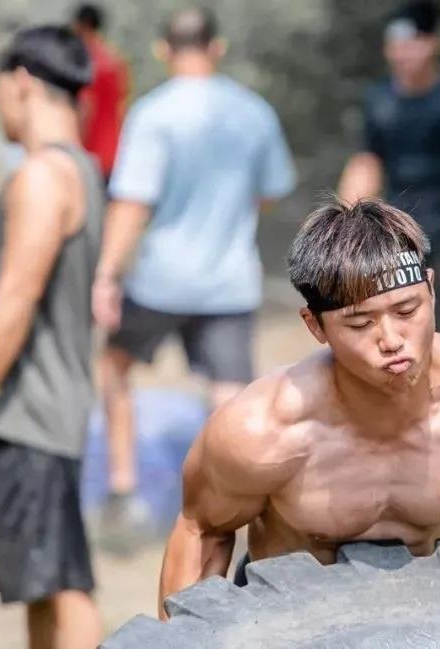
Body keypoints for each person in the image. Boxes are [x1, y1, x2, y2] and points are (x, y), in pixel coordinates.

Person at [157, 198, 440, 619]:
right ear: (315, 325)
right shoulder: (260, 432)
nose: (392, 339)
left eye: (407, 310)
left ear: (431, 290)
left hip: (425, 616)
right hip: (287, 622)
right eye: (360, 323)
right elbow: (202, 532)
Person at [92, 7, 296, 541]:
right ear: (217, 47)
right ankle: (230, 507)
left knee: (114, 367)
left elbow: (132, 203)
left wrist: (106, 275)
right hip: (228, 280)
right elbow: (272, 190)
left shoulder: (152, 114)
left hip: (160, 279)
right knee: (227, 395)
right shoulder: (253, 111)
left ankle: (123, 492)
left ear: (163, 49)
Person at [0, 25, 104, 649]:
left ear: (21, 83)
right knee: (40, 581)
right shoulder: (80, 168)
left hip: (30, 410)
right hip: (46, 407)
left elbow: (17, 291)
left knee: (62, 583)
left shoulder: (43, 176)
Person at [338, 1, 440, 333]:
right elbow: (366, 163)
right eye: (393, 45)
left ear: (433, 43)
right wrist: (343, 234)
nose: (400, 54)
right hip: (395, 232)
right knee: (398, 330)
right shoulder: (378, 99)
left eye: (410, 44)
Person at [71, 2, 130, 181]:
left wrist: (72, 148)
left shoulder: (84, 62)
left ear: (81, 25)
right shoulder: (115, 60)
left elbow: (85, 107)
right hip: (115, 153)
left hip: (90, 155)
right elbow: (122, 104)